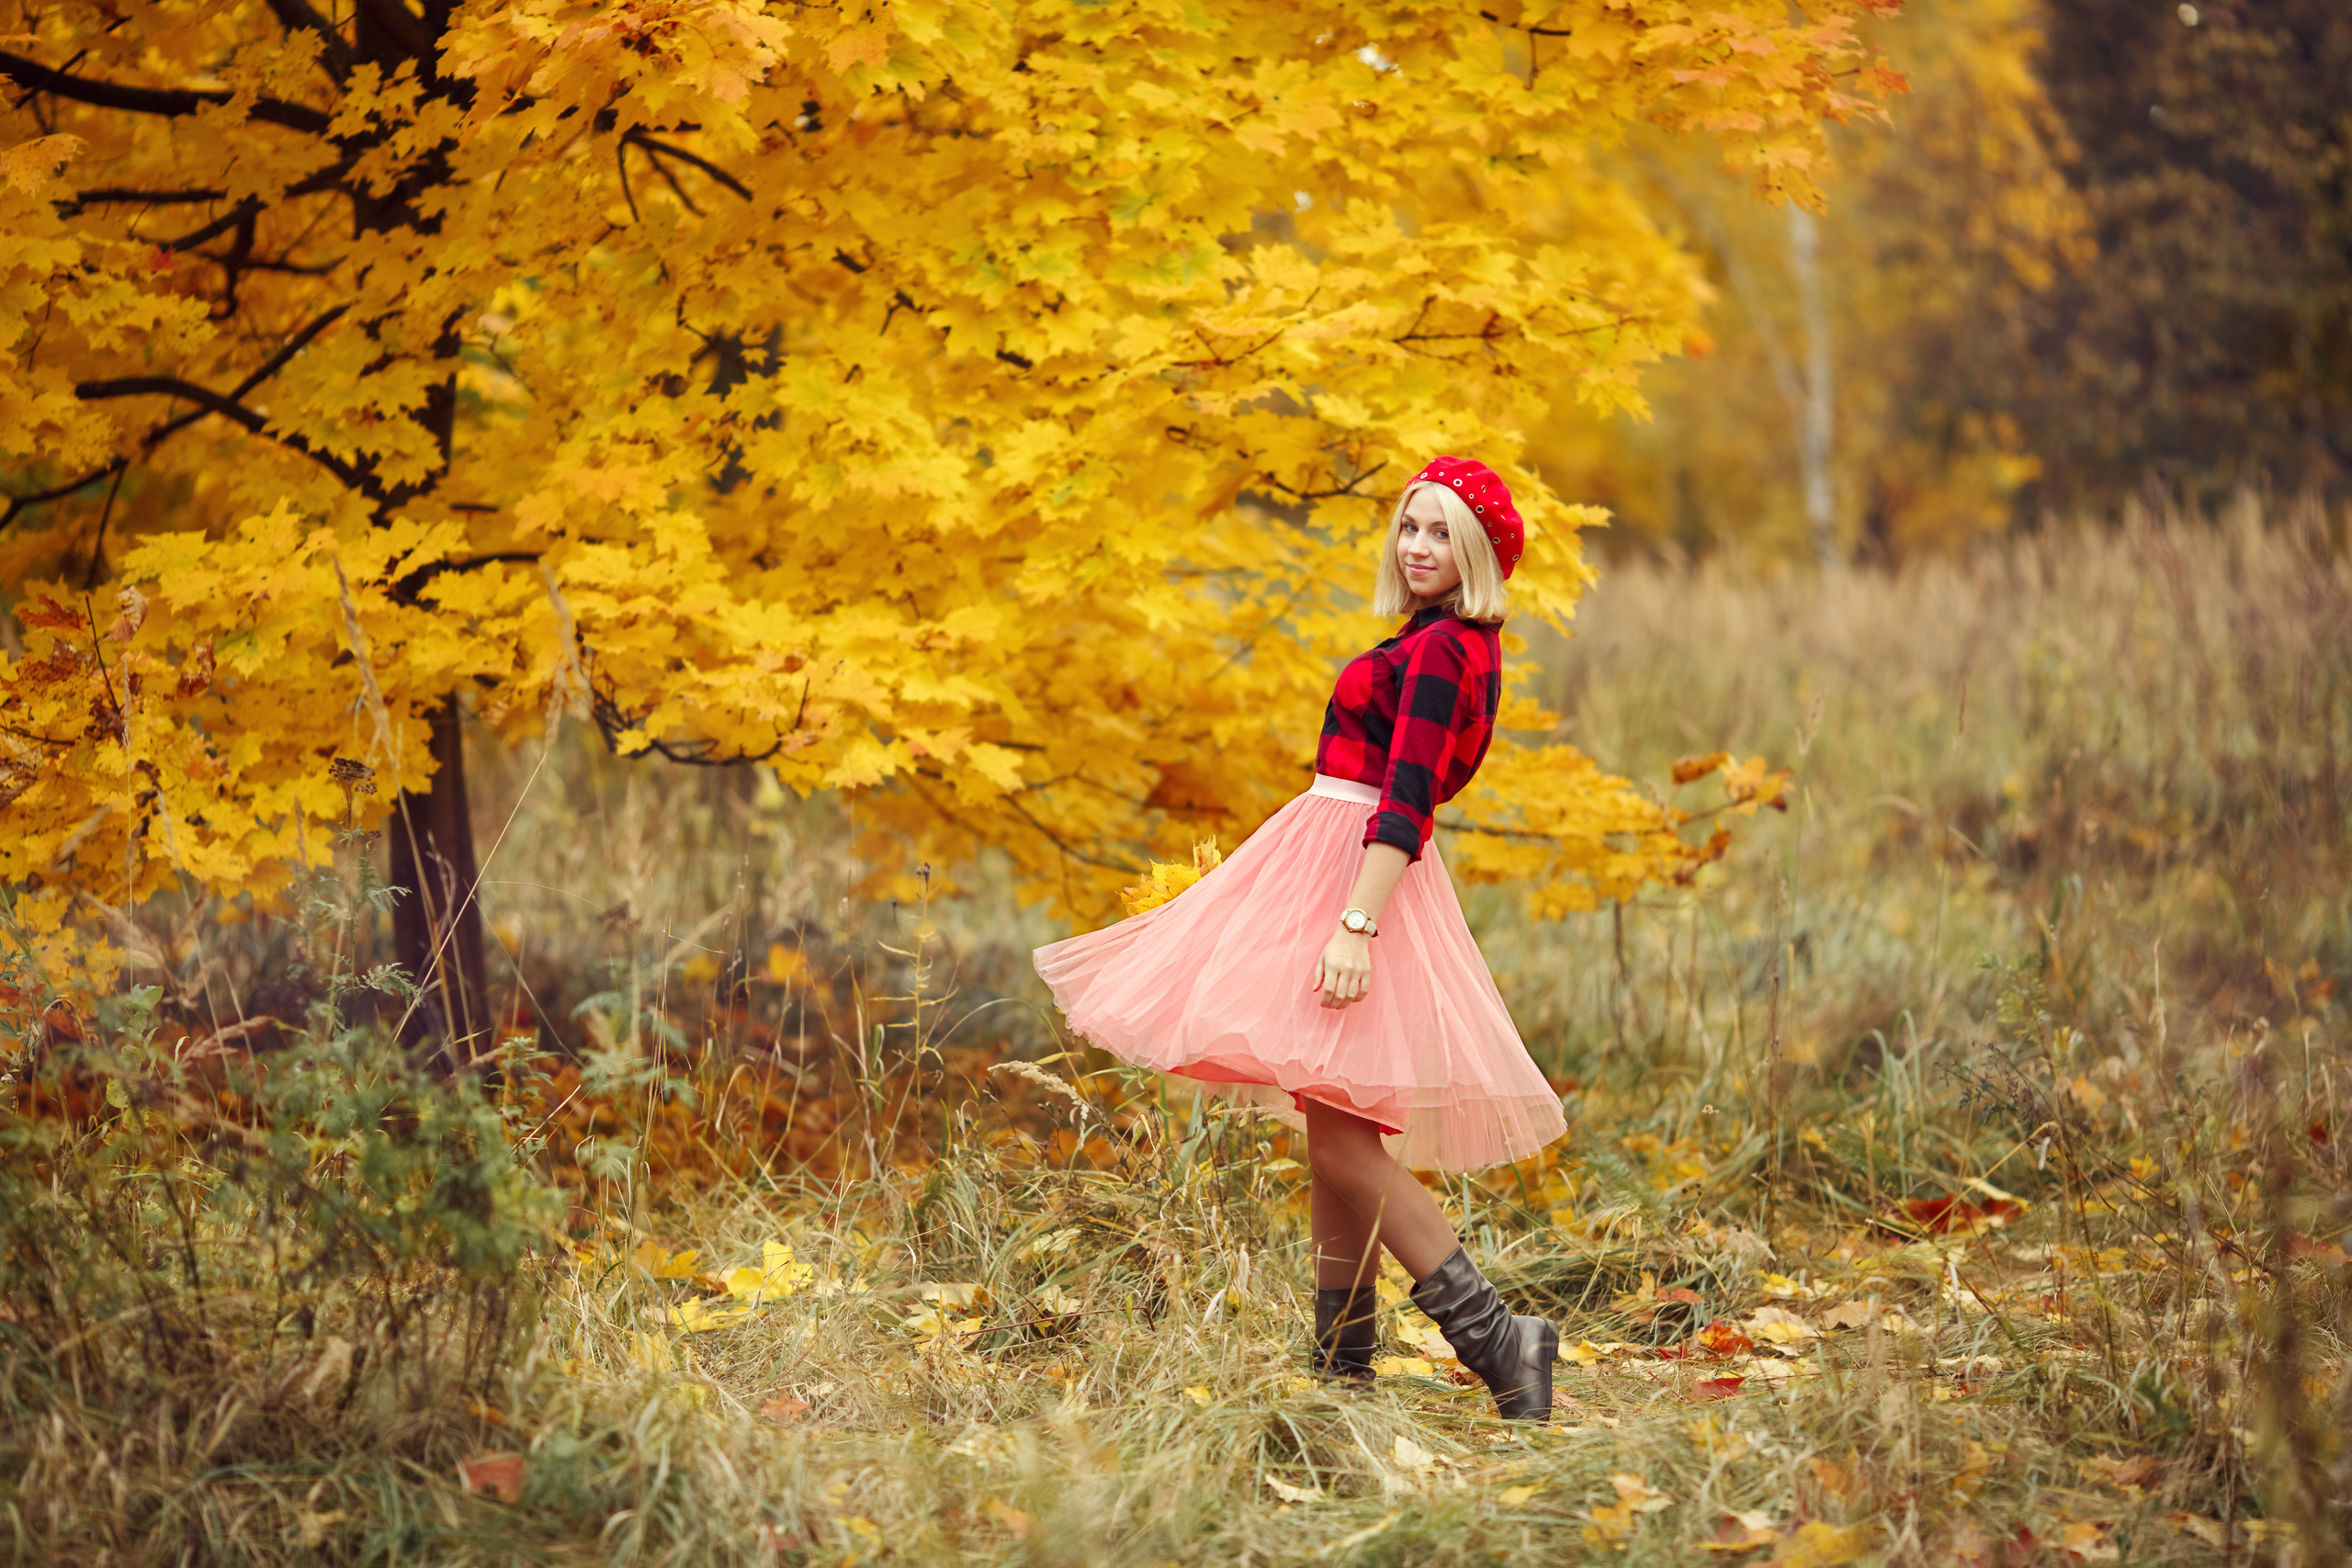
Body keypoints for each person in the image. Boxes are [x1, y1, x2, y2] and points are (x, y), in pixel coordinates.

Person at [1033, 457, 1566, 1420]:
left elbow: (1408, 794)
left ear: (1479, 551)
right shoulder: (1439, 641)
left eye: (1442, 532)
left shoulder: (1447, 650)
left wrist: (1355, 925)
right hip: (1345, 862)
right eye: (1410, 525)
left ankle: (1499, 1339)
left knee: (1347, 1148)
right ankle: (1340, 1367)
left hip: (1359, 874)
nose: (1417, 546)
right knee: (1335, 1134)